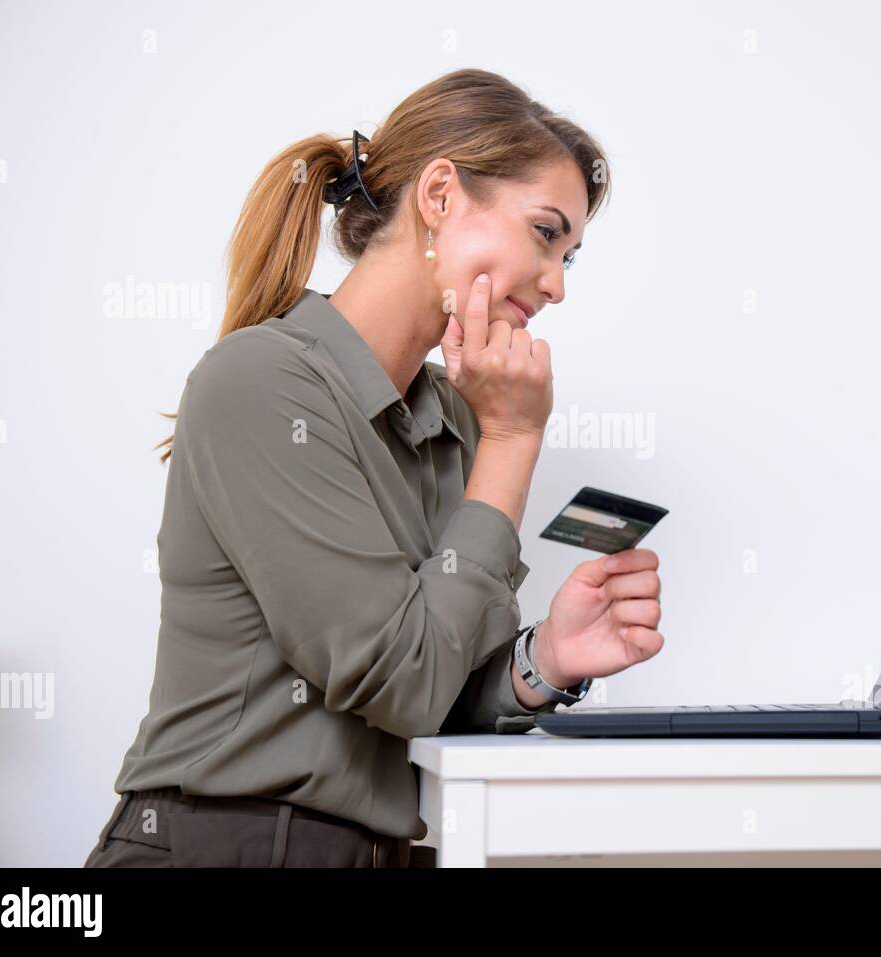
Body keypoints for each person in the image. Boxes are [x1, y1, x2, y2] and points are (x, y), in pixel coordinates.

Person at [84, 68, 663, 868]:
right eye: (544, 232)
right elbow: (407, 683)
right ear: (440, 196)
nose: (558, 285)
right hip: (222, 845)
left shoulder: (451, 419)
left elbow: (439, 695)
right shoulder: (262, 384)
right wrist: (513, 441)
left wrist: (543, 662)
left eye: (571, 255)